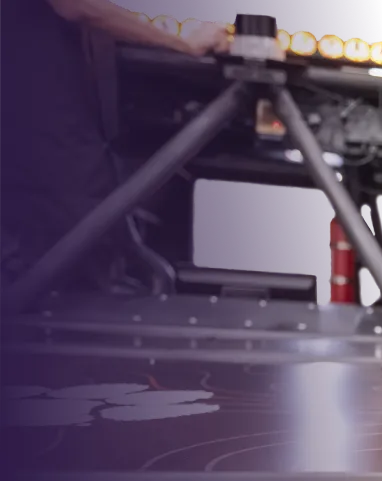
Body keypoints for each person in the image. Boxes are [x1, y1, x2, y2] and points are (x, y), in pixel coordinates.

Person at [1, 0, 230, 292]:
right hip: (32, 115)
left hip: (40, 112)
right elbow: (76, 6)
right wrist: (181, 42)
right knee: (76, 250)